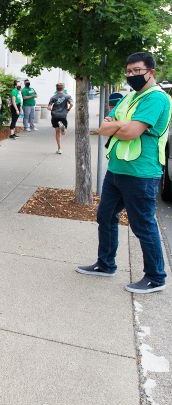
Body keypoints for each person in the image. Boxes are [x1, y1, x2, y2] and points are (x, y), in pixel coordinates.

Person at [76, 52, 172, 294]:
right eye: (128, 72)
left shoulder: (157, 98)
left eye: (137, 71)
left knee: (143, 225)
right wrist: (120, 125)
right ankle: (105, 264)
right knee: (105, 216)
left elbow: (130, 133)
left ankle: (156, 277)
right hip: (117, 169)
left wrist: (118, 125)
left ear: (151, 72)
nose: (131, 76)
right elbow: (104, 126)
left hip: (141, 172)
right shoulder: (129, 97)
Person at [47, 83, 73, 154]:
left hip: (55, 115)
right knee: (63, 133)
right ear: (63, 88)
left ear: (56, 88)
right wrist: (68, 109)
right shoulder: (67, 96)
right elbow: (72, 104)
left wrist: (50, 109)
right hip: (63, 115)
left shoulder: (53, 97)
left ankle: (59, 149)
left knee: (57, 132)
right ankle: (63, 128)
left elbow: (49, 107)